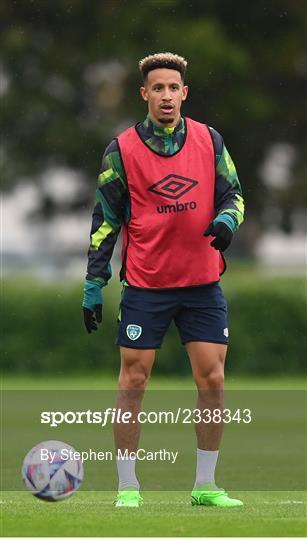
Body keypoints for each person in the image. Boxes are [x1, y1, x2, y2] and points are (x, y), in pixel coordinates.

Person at [82, 52, 244, 508]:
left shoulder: (210, 141)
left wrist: (228, 221)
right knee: (133, 381)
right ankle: (128, 487)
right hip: (146, 286)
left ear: (184, 93)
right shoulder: (121, 150)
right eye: (158, 88)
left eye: (174, 88)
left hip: (202, 284)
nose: (167, 95)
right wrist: (93, 286)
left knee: (212, 379)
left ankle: (206, 486)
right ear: (145, 94)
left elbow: (233, 194)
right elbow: (105, 221)